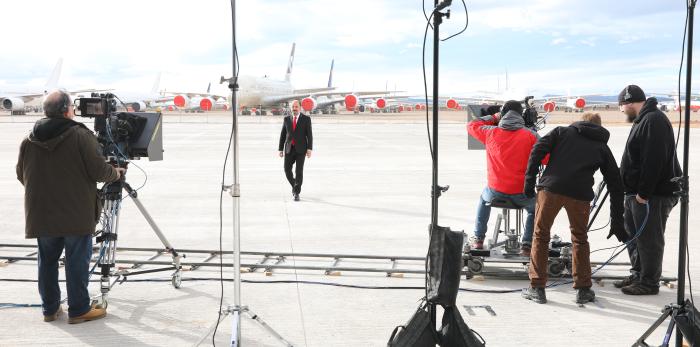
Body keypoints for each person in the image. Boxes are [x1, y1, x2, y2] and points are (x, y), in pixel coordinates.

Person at [16, 90, 124, 323]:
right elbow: (99, 172)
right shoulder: (80, 135)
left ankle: (50, 309)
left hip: (41, 212)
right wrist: (115, 172)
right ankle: (78, 310)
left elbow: (21, 174)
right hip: (76, 213)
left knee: (47, 262)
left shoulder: (29, 138)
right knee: (76, 262)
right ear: (66, 110)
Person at [520, 113, 627, 304]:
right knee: (579, 239)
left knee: (541, 235)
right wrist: (617, 219)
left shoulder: (562, 132)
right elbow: (615, 182)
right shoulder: (601, 147)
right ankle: (583, 289)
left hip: (551, 189)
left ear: (580, 121)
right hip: (580, 196)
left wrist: (529, 182)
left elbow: (537, 148)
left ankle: (537, 288)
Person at [615, 85, 681, 295]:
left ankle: (649, 282)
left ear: (630, 102)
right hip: (637, 194)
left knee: (649, 239)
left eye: (622, 106)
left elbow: (654, 160)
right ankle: (638, 274)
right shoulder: (643, 120)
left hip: (652, 195)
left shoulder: (653, 120)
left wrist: (644, 193)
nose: (621, 110)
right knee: (634, 237)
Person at [467, 100, 541, 256]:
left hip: (495, 192)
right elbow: (546, 158)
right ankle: (527, 245)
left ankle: (478, 239)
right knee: (536, 209)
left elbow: (472, 125)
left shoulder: (490, 132)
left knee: (483, 199)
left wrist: (494, 116)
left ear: (503, 114)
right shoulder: (531, 136)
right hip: (522, 193)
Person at [278, 100, 313, 201]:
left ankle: (296, 193)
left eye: (296, 107)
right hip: (289, 148)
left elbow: (309, 135)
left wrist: (309, 148)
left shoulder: (306, 119)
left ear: (300, 107)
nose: (294, 108)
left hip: (301, 149)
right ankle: (295, 186)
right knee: (287, 170)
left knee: (299, 171)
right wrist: (280, 149)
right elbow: (283, 135)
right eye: (293, 107)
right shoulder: (286, 119)